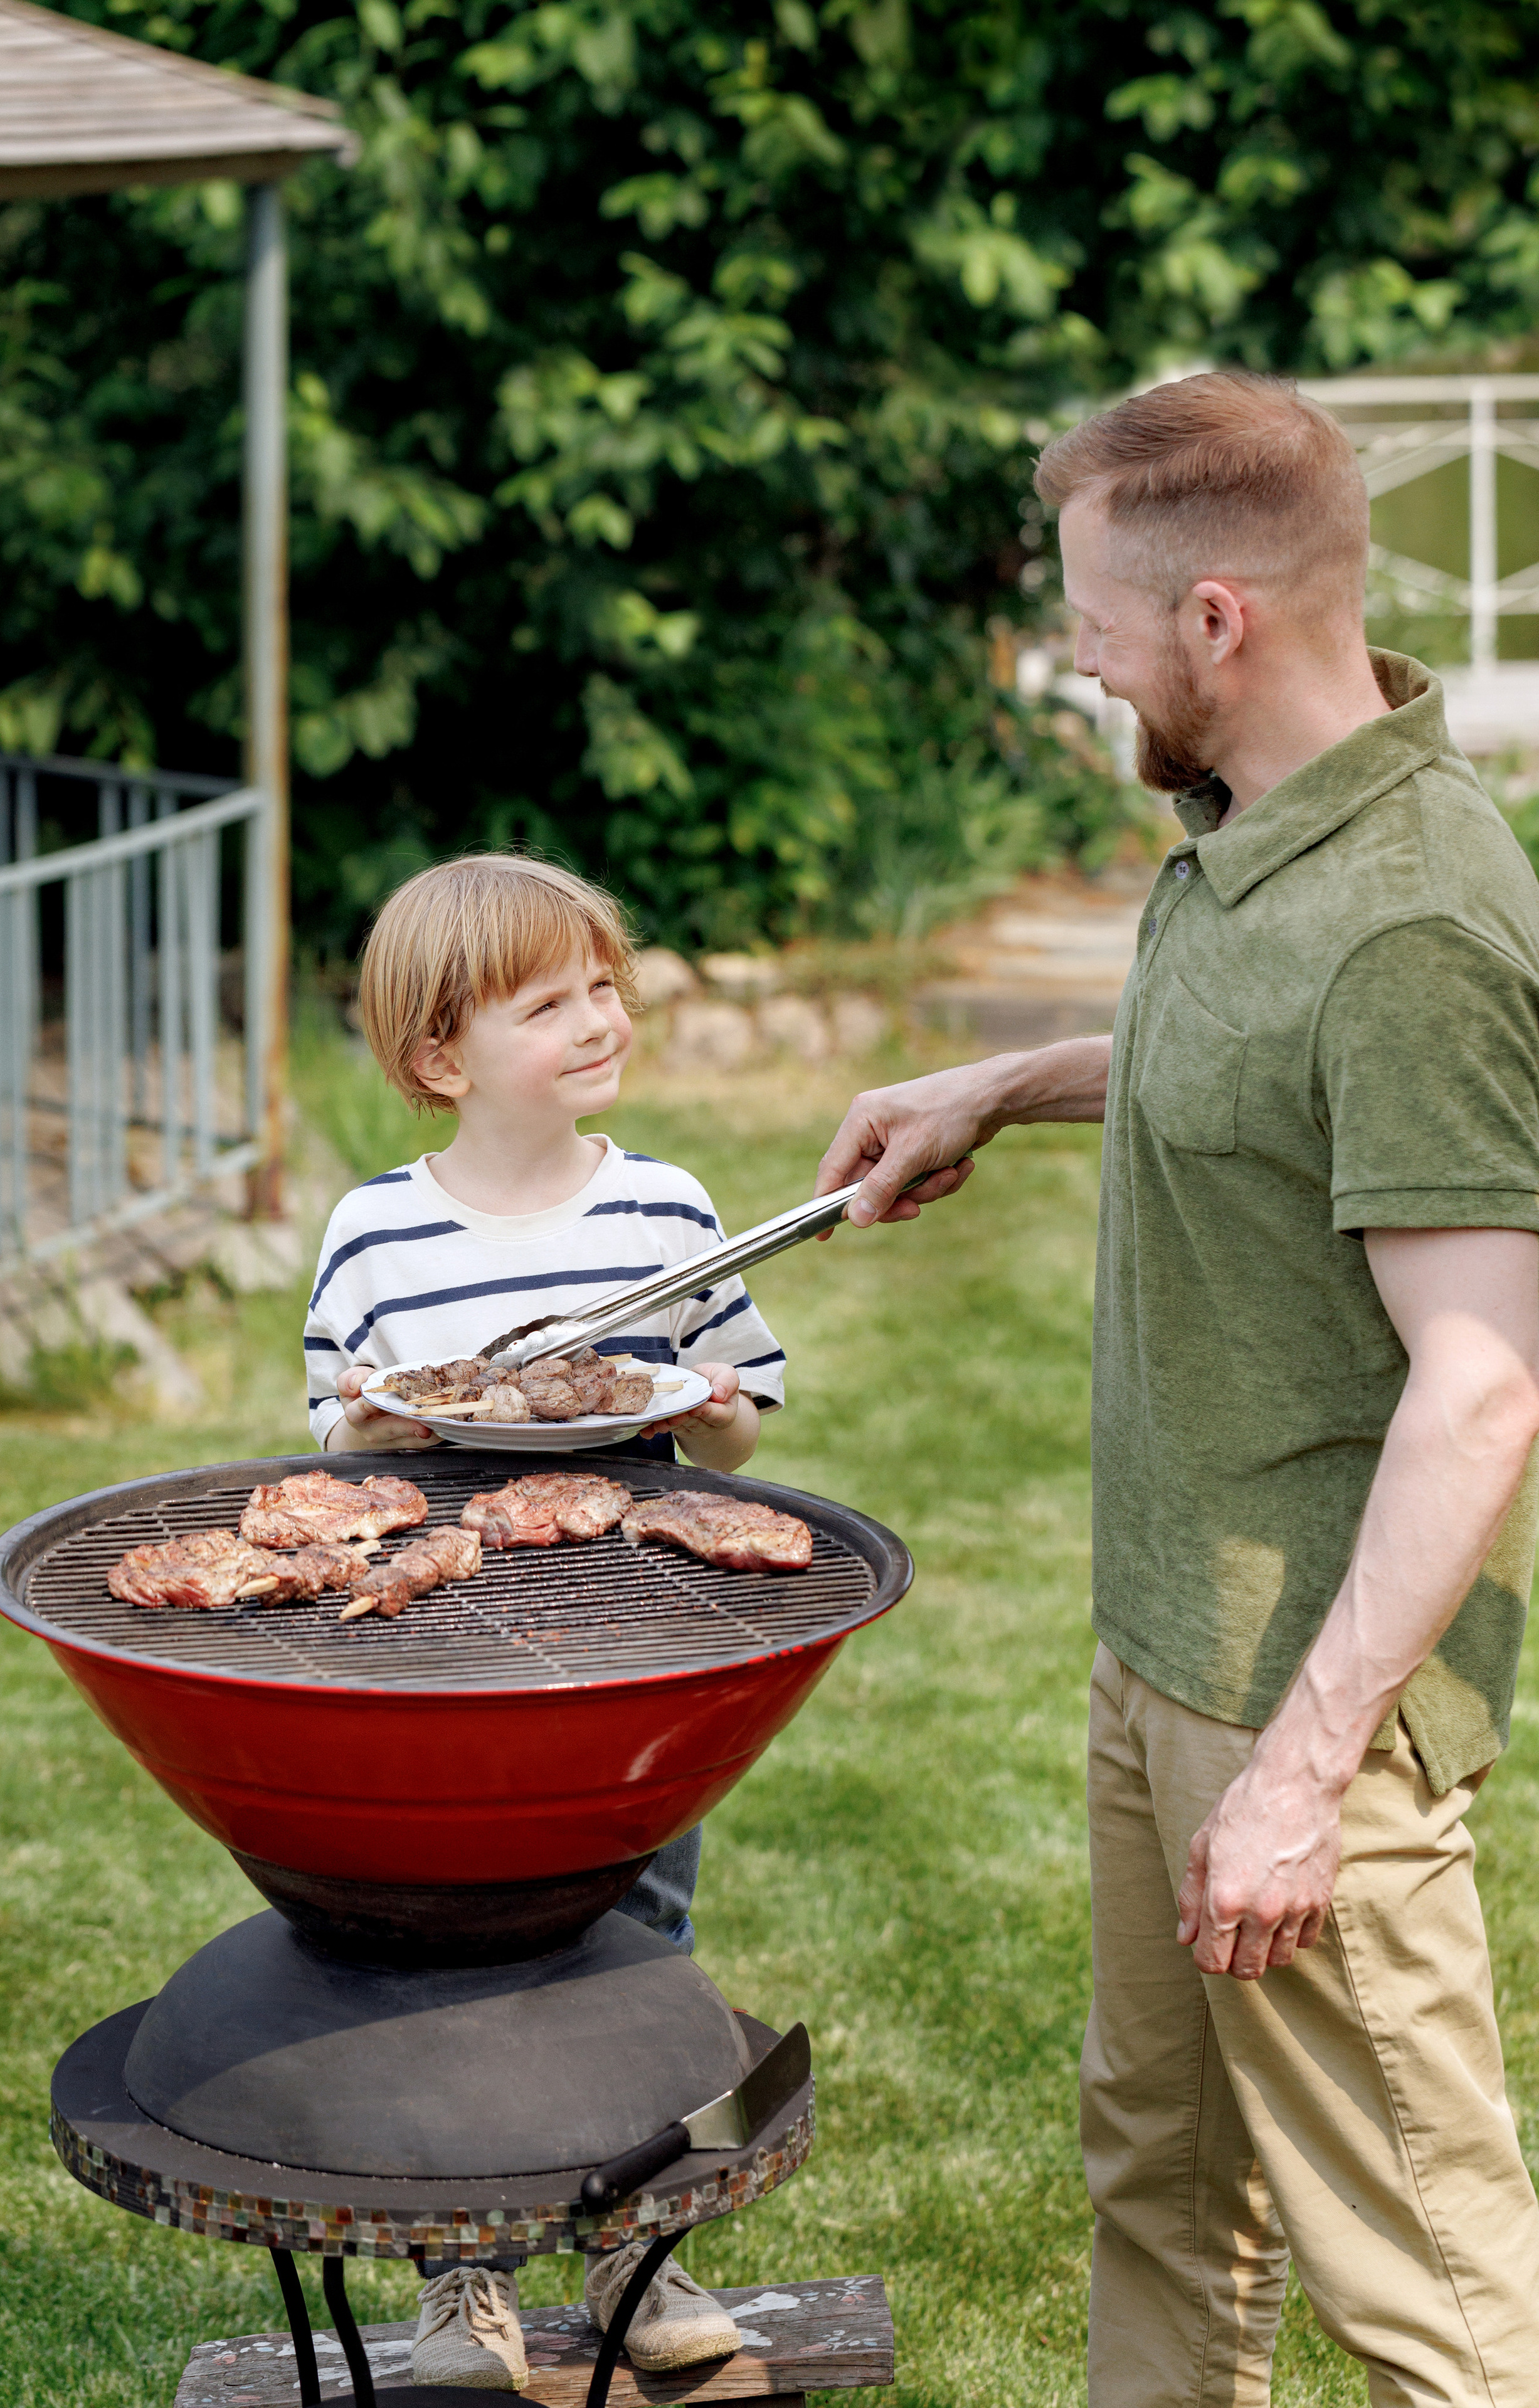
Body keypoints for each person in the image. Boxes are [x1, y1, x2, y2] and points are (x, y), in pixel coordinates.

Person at [814, 372, 1539, 2405]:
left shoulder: (1411, 920)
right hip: (1169, 1661)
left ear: (1217, 619)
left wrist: (1303, 1780)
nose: (1081, 665)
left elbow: (1487, 1383)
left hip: (1310, 1704)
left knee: (1433, 2287)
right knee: (1164, 2176)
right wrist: (1010, 1084)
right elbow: (1270, 1094)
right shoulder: (1264, 837)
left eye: (1098, 629)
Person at [305, 852, 784, 2390]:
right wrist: (368, 1431)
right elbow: (334, 1438)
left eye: (604, 988)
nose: (597, 1021)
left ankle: (637, 2258)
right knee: (452, 1950)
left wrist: (710, 1406)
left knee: (637, 1936)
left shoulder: (664, 1209)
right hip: (438, 1653)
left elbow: (739, 1421)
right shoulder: (376, 1232)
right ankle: (463, 2283)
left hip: (637, 1645)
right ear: (441, 1056)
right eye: (546, 1003)